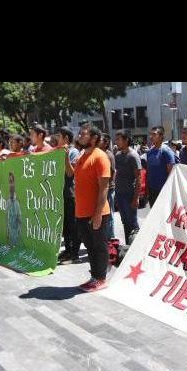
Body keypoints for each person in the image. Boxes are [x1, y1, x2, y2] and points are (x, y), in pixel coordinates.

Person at [73, 124, 112, 292]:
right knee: (90, 247)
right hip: (81, 212)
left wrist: (97, 214)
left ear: (94, 138)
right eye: (80, 133)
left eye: (83, 134)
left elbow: (104, 187)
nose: (80, 136)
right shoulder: (82, 155)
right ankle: (94, 277)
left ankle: (101, 278)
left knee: (99, 246)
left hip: (96, 212)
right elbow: (72, 175)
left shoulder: (100, 156)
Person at [55, 126, 82, 264]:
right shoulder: (58, 151)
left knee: (73, 226)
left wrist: (65, 156)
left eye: (59, 136)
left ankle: (74, 253)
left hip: (71, 193)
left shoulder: (73, 152)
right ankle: (67, 250)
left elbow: (71, 173)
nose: (57, 139)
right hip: (62, 194)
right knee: (65, 225)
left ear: (66, 138)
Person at [113, 129, 142, 244]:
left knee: (133, 224)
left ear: (126, 140)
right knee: (125, 222)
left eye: (118, 139)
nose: (116, 142)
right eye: (116, 139)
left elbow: (138, 178)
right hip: (120, 194)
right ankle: (128, 246)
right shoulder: (118, 155)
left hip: (130, 194)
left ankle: (137, 247)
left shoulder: (133, 156)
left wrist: (136, 198)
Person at [145, 126, 177, 207]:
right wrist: (147, 189)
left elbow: (171, 173)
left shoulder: (166, 151)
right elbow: (148, 172)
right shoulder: (150, 152)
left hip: (164, 191)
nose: (151, 136)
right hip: (152, 191)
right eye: (150, 134)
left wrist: (168, 190)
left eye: (154, 134)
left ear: (161, 136)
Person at [99, 133, 117, 239]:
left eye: (100, 140)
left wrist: (108, 184)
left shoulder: (108, 155)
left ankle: (110, 238)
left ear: (106, 143)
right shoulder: (99, 153)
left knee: (109, 215)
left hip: (108, 189)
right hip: (102, 188)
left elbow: (113, 172)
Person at [7, 171, 22, 248]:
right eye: (10, 182)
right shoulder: (8, 202)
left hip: (17, 239)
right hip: (10, 240)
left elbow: (20, 221)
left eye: (12, 182)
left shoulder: (17, 203)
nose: (11, 185)